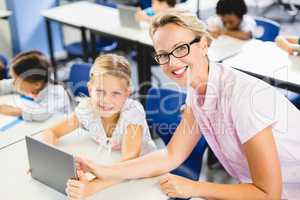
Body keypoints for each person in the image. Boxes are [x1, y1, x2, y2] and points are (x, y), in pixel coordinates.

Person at [75, 10, 300, 199]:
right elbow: (171, 155)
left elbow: (268, 193)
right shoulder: (196, 90)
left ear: (203, 44)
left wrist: (193, 187)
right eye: (163, 54)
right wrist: (107, 171)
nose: (172, 61)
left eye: (181, 48)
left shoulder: (243, 97)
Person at [42, 54, 156, 199]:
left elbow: (128, 165)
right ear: (90, 89)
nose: (106, 100)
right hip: (109, 162)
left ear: (127, 93)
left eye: (115, 93)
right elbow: (51, 131)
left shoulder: (132, 114)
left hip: (142, 174)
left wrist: (92, 186)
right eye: (100, 91)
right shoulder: (87, 108)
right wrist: (50, 160)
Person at [0, 50, 71, 121]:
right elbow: (7, 85)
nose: (13, 82)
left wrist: (16, 111)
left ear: (37, 85)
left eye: (16, 79)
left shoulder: (57, 93)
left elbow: (44, 113)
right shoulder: (33, 84)